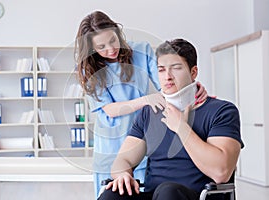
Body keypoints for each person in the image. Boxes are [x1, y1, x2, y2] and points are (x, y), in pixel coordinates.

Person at [74, 11, 208, 198]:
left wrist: (191, 87)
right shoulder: (89, 69)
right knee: (114, 192)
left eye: (113, 40)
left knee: (143, 191)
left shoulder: (141, 51)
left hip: (141, 137)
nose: (111, 49)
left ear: (117, 32)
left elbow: (167, 80)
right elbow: (110, 110)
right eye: (101, 47)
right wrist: (145, 100)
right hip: (111, 143)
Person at [98, 38, 244, 200]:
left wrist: (181, 127)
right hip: (155, 195)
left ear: (193, 72)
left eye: (176, 68)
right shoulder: (149, 113)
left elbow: (221, 172)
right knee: (111, 195)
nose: (167, 76)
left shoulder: (222, 111)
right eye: (161, 70)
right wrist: (122, 174)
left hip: (198, 196)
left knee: (168, 192)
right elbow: (123, 159)